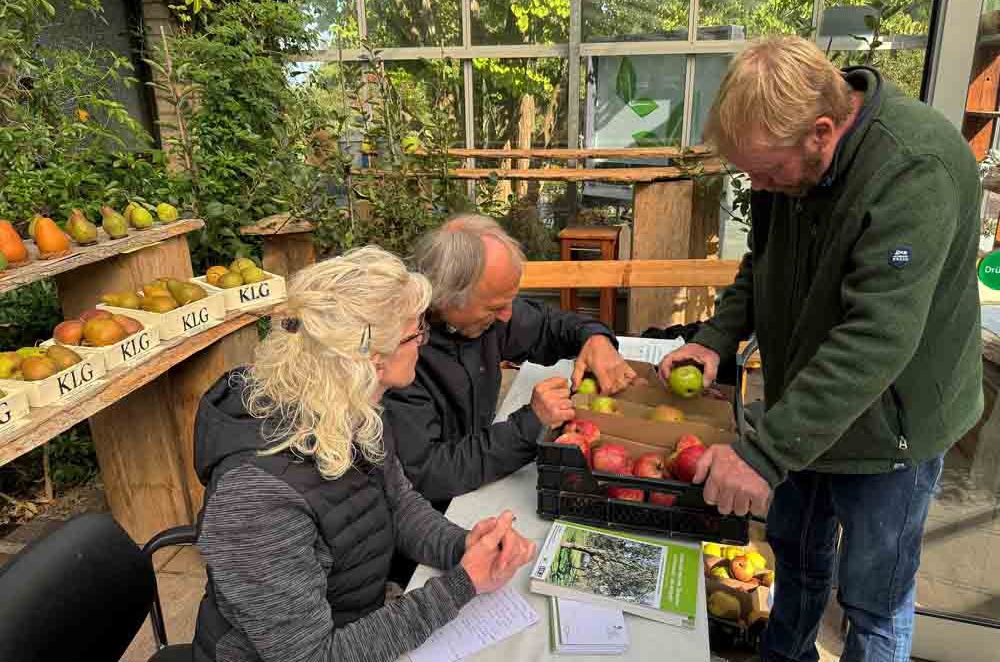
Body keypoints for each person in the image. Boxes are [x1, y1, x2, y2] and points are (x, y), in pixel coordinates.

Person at [659, 37, 982, 662]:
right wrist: (715, 341)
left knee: (872, 601)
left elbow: (875, 338)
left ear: (823, 130)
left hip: (893, 430)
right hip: (808, 410)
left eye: (767, 171)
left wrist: (762, 452)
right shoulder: (785, 163)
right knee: (798, 563)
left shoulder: (916, 168)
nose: (758, 185)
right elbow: (763, 263)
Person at [191, 246, 536, 662]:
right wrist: (461, 585)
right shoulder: (256, 500)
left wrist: (463, 547)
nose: (423, 344)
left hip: (356, 620)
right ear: (371, 359)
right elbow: (314, 657)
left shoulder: (349, 409)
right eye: (415, 334)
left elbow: (398, 504)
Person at [383, 214, 637, 506]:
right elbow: (429, 473)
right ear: (447, 299)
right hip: (437, 516)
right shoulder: (400, 356)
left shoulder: (488, 318)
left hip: (481, 484)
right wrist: (530, 424)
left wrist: (595, 338)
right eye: (495, 306)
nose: (507, 314)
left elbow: (547, 325)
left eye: (510, 301)